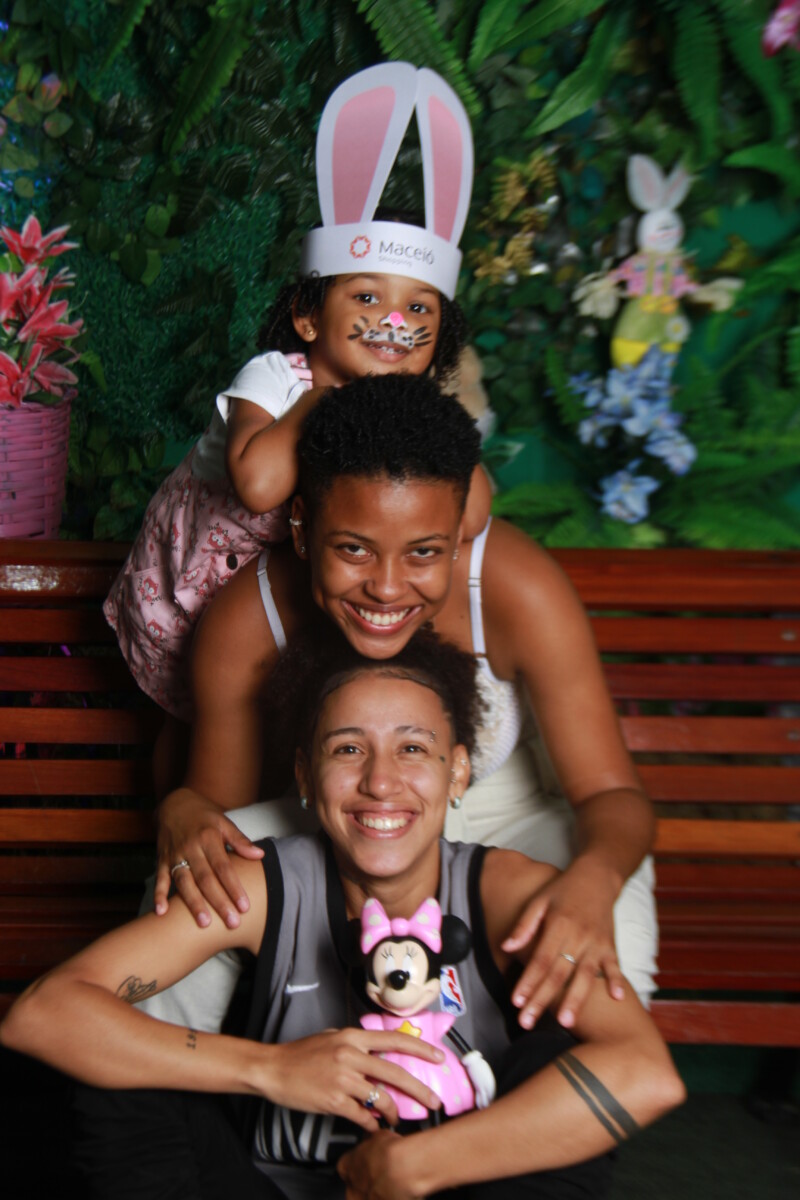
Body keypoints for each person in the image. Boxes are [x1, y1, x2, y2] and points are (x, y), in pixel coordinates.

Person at [0, 630, 685, 1200]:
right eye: (348, 749)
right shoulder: (262, 886)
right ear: (305, 775)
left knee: (561, 1065)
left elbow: (644, 1074)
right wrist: (269, 1069)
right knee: (116, 1072)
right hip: (265, 1187)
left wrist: (415, 1166)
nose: (380, 781)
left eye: (412, 749)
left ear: (457, 773)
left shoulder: (507, 891)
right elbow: (41, 1015)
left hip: (448, 1187)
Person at [152, 372, 658, 1040]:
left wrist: (594, 882)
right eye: (353, 549)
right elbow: (220, 813)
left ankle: (525, 1101)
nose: (387, 589)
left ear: (459, 531)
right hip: (347, 824)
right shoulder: (251, 620)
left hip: (510, 823)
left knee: (601, 937)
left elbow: (611, 794)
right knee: (197, 882)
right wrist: (183, 810)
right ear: (302, 528)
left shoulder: (514, 587)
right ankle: (162, 1083)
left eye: (424, 552)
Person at [102, 62, 490, 789]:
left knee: (279, 714)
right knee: (189, 713)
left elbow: (471, 511)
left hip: (295, 578)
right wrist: (322, 402)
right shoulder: (277, 378)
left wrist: (438, 427)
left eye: (418, 310)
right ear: (310, 317)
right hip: (202, 574)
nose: (393, 322)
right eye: (367, 297)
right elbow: (257, 485)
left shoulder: (415, 408)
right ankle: (173, 820)